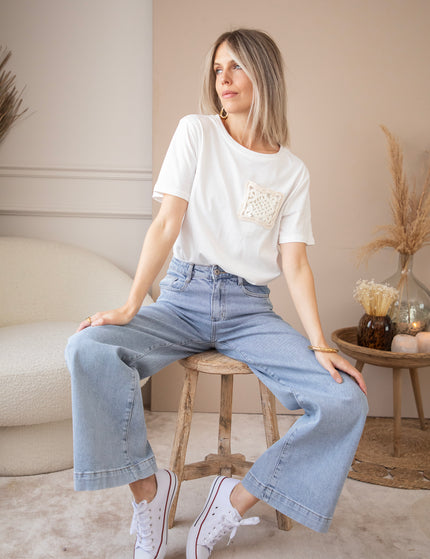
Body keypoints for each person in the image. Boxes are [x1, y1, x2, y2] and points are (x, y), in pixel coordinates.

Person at [65, 28, 368, 559]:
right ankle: (150, 493)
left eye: (236, 67)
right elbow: (167, 223)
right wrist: (132, 304)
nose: (223, 79)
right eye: (217, 69)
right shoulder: (197, 132)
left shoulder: (291, 171)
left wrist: (321, 343)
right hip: (182, 297)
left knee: (345, 399)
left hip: (249, 310)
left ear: (264, 74)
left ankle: (233, 500)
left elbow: (295, 262)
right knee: (87, 348)